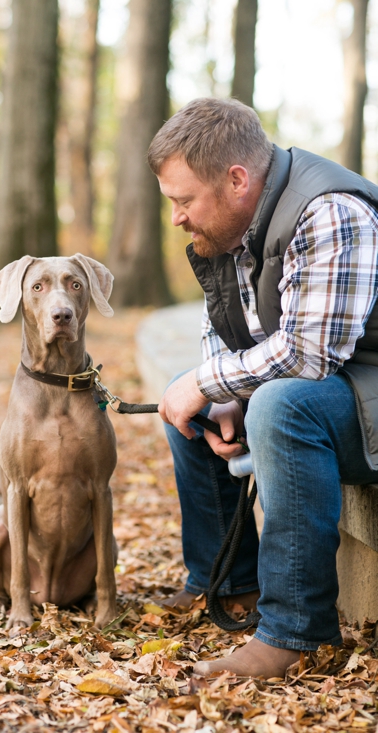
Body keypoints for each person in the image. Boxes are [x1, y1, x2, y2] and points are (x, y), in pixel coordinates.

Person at [150, 97, 378, 679]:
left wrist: (208, 383)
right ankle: (228, 585)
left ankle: (293, 632)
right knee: (197, 406)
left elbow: (309, 353)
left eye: (183, 200)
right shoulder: (229, 229)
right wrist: (221, 396)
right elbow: (222, 331)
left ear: (236, 180)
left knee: (274, 404)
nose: (176, 216)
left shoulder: (330, 211)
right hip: (336, 390)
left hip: (364, 392)